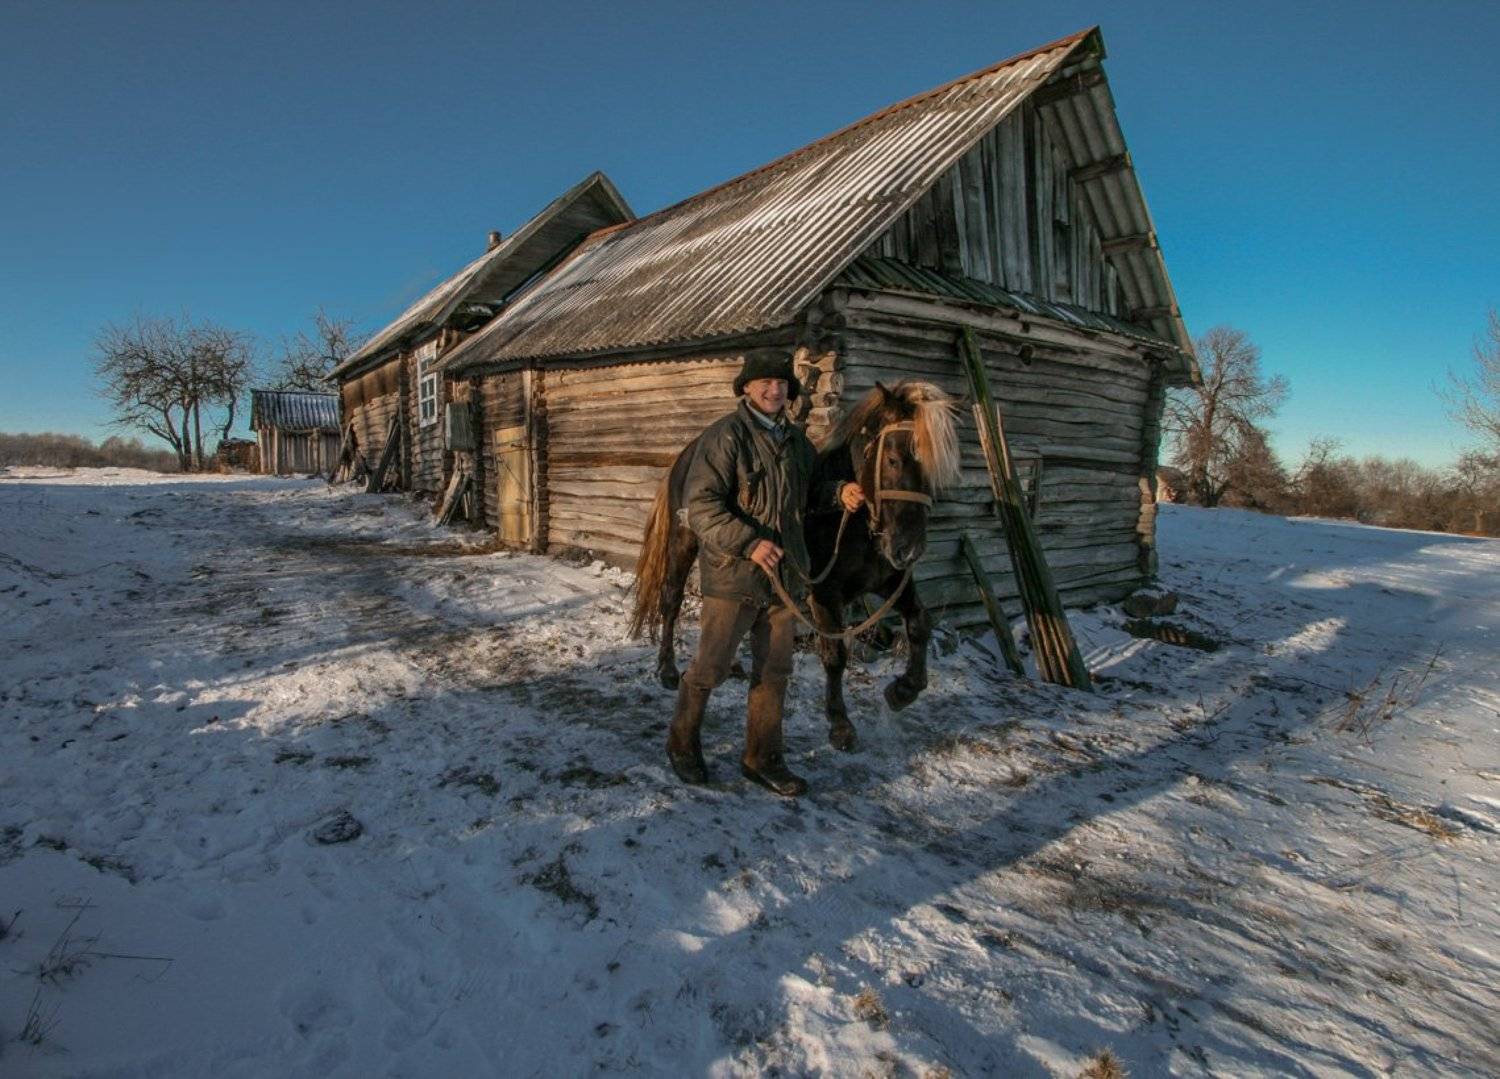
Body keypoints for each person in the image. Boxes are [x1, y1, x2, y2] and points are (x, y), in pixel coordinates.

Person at [666, 354, 865, 796]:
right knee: (711, 669)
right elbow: (701, 507)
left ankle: (762, 757)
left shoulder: (797, 443)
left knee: (775, 672)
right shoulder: (725, 437)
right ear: (746, 389)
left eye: (781, 383)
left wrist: (839, 492)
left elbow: (810, 494)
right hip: (733, 578)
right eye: (765, 383)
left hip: (785, 579)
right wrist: (749, 542)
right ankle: (682, 742)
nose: (774, 390)